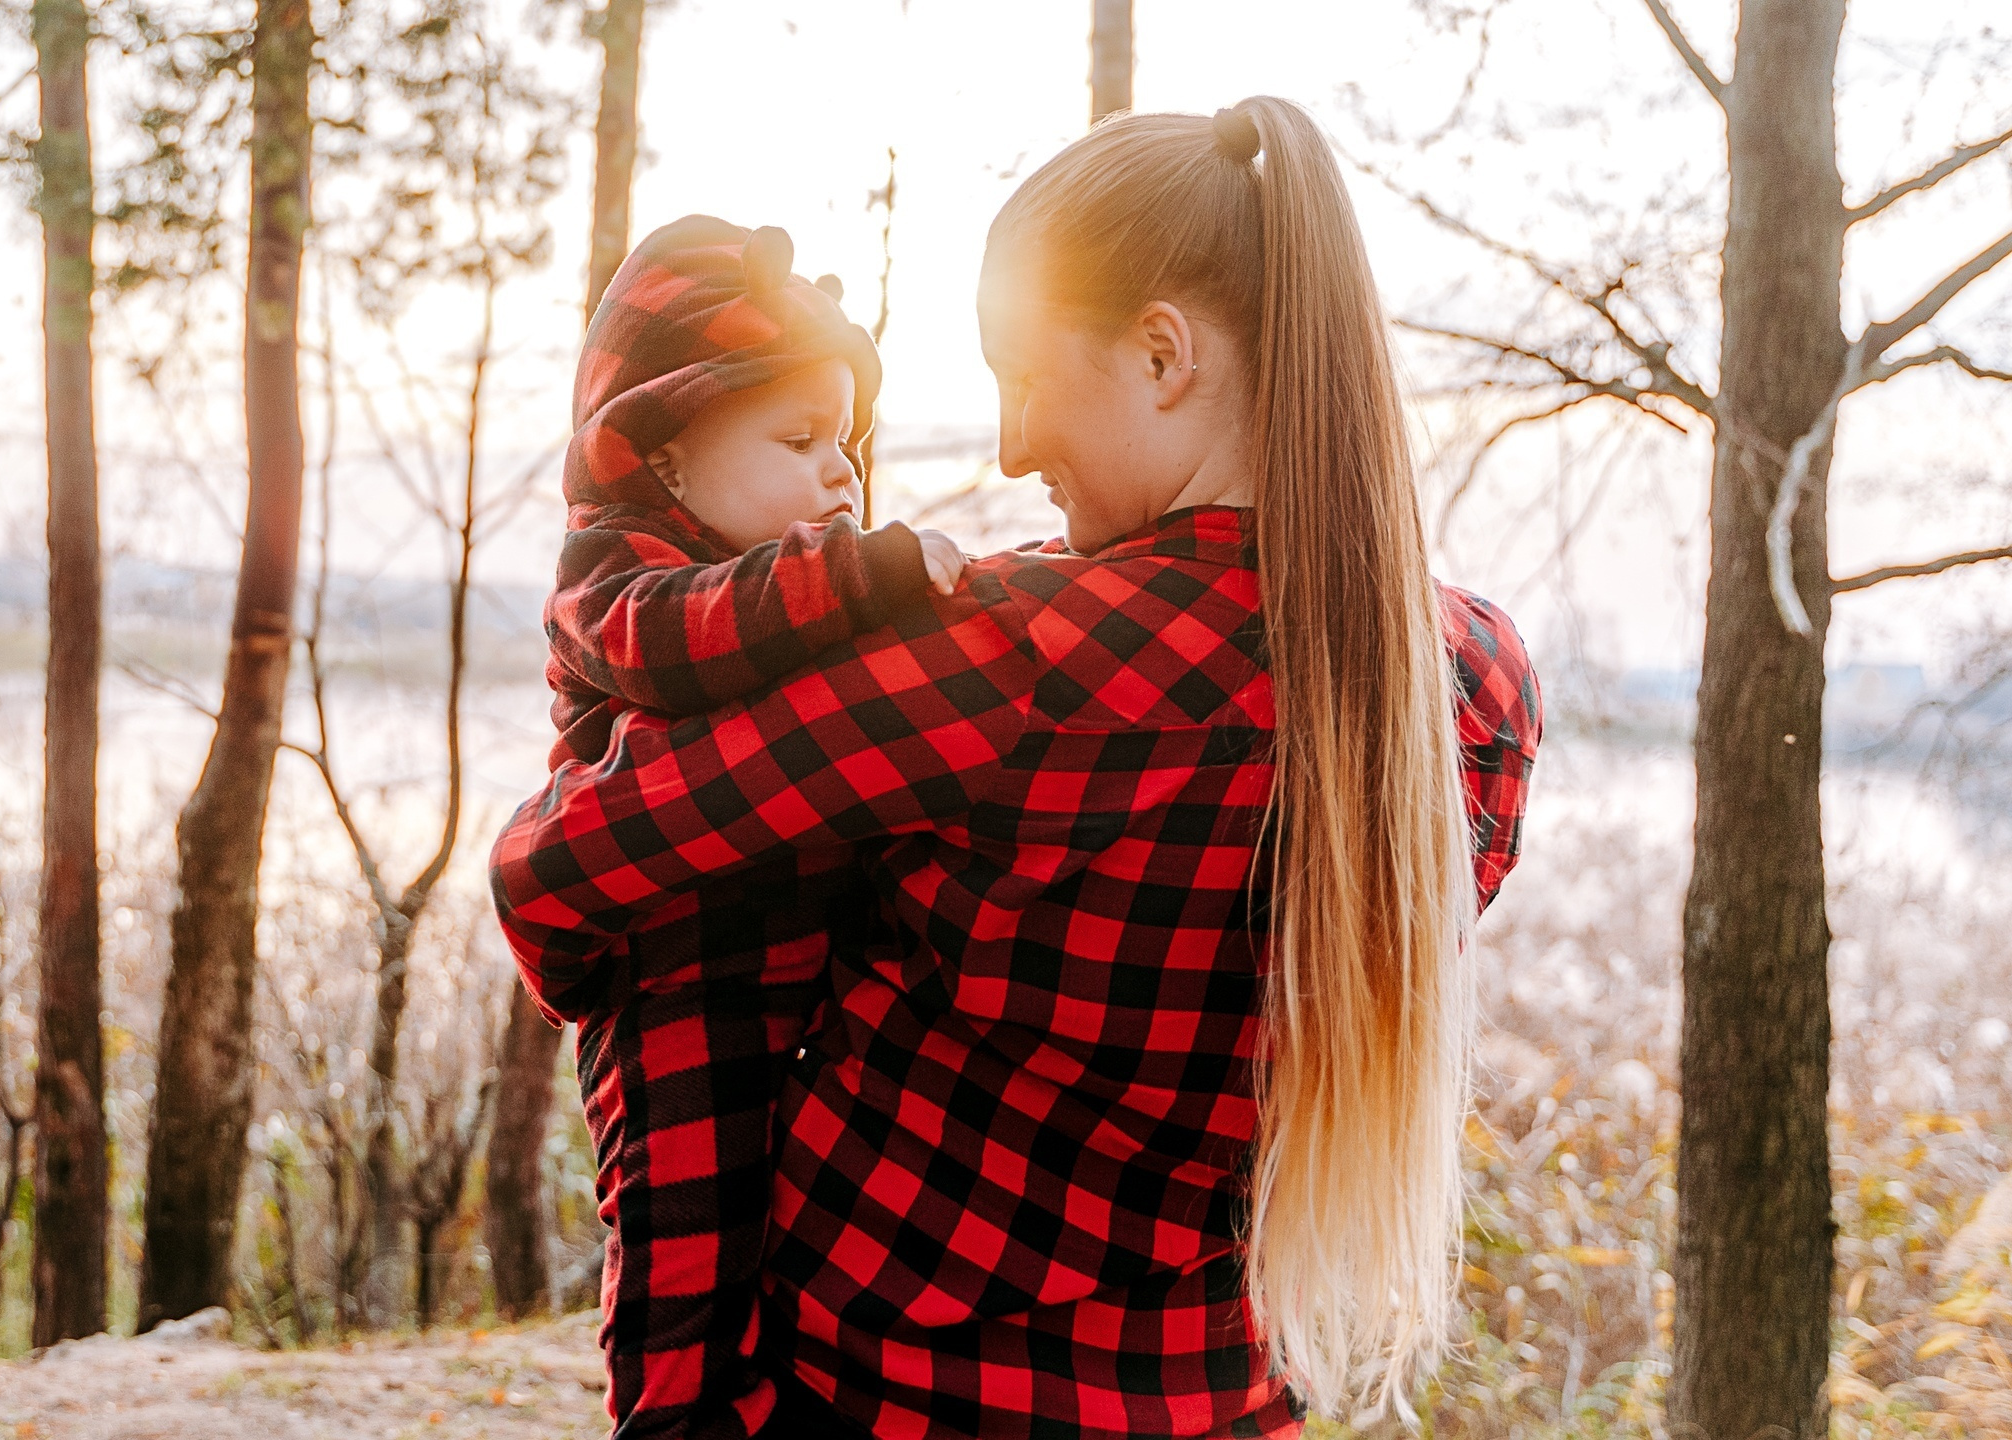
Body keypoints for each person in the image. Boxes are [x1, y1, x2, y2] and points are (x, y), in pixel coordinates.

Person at [496, 99, 1541, 1438]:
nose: (1010, 445)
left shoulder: (1003, 659)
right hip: (1220, 1400)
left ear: (1161, 354)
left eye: (1024, 376)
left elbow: (559, 871)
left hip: (883, 1394)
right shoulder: (1471, 691)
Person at [538, 213, 964, 1440]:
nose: (842, 474)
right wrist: (857, 575)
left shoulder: (792, 589)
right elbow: (675, 641)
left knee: (797, 1264)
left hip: (813, 982)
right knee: (685, 1274)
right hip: (679, 993)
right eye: (799, 440)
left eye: (849, 443)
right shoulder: (608, 571)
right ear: (665, 454)